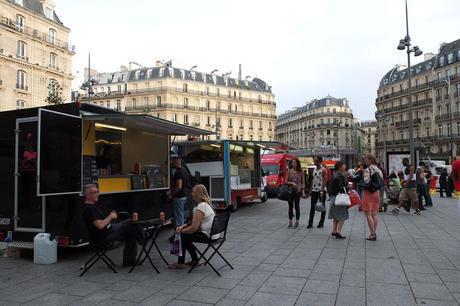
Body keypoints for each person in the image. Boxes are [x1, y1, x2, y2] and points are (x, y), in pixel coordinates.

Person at [82, 184, 138, 266]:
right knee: (131, 225)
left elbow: (101, 222)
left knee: (131, 226)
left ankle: (129, 261)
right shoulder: (89, 209)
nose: (98, 194)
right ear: (87, 195)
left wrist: (109, 215)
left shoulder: (91, 207)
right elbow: (100, 226)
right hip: (104, 237)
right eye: (95, 192)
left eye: (98, 192)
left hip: (108, 230)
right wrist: (110, 217)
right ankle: (145, 238)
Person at [169, 184, 216, 269]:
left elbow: (193, 228)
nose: (191, 194)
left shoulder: (201, 206)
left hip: (208, 236)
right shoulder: (205, 204)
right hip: (214, 235)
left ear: (198, 193)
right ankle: (194, 260)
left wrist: (180, 232)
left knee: (183, 236)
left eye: (193, 191)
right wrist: (183, 226)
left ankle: (181, 263)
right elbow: (193, 222)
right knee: (186, 236)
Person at [361, 154, 383, 241]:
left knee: (368, 213)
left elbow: (366, 181)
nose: (365, 161)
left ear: (370, 160)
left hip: (369, 193)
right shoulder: (378, 169)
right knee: (374, 213)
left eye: (366, 159)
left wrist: (364, 175)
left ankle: (372, 234)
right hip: (376, 192)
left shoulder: (368, 169)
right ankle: (374, 232)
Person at [328, 161, 349, 239]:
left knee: (336, 216)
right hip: (340, 198)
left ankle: (334, 231)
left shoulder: (335, 175)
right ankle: (338, 231)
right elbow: (341, 188)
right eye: (344, 165)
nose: (345, 166)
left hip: (334, 197)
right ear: (340, 167)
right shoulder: (339, 176)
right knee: (343, 216)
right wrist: (348, 188)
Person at [168, 156, 189, 227]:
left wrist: (171, 194)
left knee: (179, 216)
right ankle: (178, 233)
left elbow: (179, 186)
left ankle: (180, 233)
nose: (172, 163)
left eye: (173, 161)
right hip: (184, 196)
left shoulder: (178, 172)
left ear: (176, 161)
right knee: (180, 214)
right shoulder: (184, 170)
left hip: (179, 197)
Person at [307, 156, 327, 229]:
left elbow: (325, 180)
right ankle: (310, 223)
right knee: (312, 207)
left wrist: (322, 191)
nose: (315, 162)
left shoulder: (323, 170)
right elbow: (313, 179)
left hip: (321, 190)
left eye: (316, 161)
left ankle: (321, 223)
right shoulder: (314, 169)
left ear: (320, 161)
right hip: (314, 190)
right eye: (314, 161)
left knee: (322, 207)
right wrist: (310, 189)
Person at [285, 158, 304, 228]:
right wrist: (292, 183)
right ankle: (290, 221)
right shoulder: (289, 171)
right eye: (292, 163)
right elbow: (285, 181)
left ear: (297, 163)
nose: (293, 164)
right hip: (290, 191)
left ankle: (297, 221)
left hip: (297, 191)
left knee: (297, 206)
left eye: (294, 162)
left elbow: (303, 182)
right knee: (290, 206)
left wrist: (302, 190)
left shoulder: (301, 171)